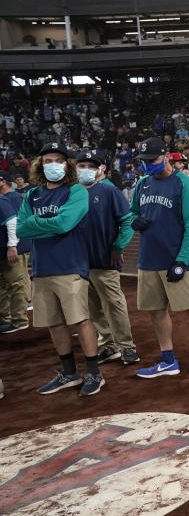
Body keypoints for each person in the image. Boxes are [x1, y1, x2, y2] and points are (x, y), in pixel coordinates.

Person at [128, 137, 189, 382]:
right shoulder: (142, 185)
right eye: (144, 161)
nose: (147, 165)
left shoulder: (183, 184)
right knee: (156, 311)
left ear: (166, 155)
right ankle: (168, 360)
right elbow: (132, 213)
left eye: (152, 160)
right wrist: (133, 220)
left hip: (177, 260)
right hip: (148, 260)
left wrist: (181, 261)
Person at [16, 143, 103, 396]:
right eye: (47, 160)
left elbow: (65, 223)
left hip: (70, 266)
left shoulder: (76, 191)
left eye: (58, 160)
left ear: (68, 165)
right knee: (54, 323)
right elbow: (21, 229)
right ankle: (69, 373)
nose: (53, 164)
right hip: (42, 268)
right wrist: (46, 224)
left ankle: (94, 374)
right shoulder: (32, 195)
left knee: (79, 320)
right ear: (40, 165)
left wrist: (36, 222)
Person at [76, 150, 139, 366]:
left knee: (113, 304)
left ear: (101, 168)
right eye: (81, 165)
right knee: (93, 307)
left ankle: (127, 347)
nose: (85, 169)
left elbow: (128, 221)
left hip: (105, 260)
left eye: (90, 166)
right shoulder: (74, 192)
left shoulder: (109, 190)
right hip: (81, 262)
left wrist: (118, 246)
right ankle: (108, 344)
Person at [0, 171, 30, 334]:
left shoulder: (14, 198)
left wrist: (13, 245)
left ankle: (19, 318)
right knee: (6, 283)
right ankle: (5, 316)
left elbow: (16, 221)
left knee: (17, 281)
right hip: (8, 247)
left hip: (17, 246)